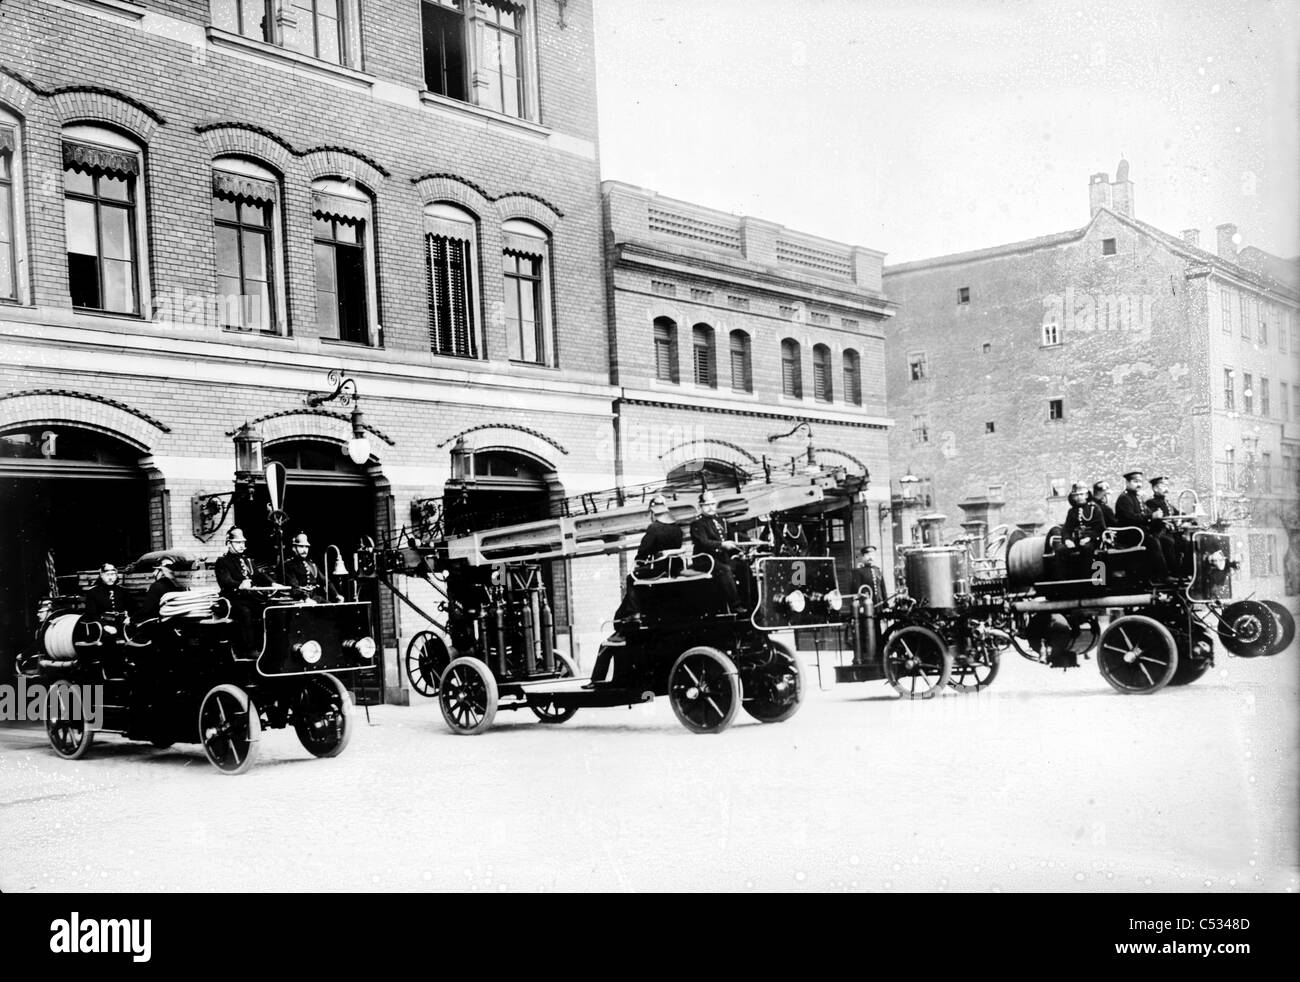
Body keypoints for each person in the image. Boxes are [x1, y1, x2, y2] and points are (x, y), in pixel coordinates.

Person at [588, 496, 682, 687]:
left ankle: (597, 680)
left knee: (632, 577)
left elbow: (643, 550)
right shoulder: (676, 528)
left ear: (652, 511)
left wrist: (640, 560)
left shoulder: (654, 528)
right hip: (672, 568)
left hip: (656, 569)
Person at [214, 527, 278, 657]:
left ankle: (268, 646)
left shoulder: (248, 561)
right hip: (233, 599)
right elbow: (225, 581)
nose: (242, 546)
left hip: (251, 598)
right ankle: (249, 649)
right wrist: (240, 585)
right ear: (229, 543)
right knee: (245, 612)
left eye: (243, 543)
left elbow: (260, 575)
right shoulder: (222, 562)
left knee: (269, 608)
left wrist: (272, 583)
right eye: (238, 543)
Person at [690, 489, 743, 612]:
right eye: (707, 505)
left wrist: (751, 540)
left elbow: (733, 536)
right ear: (701, 506)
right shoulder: (697, 524)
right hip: (704, 559)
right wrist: (722, 544)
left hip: (720, 558)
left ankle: (749, 602)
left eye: (712, 504)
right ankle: (736, 606)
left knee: (743, 567)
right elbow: (704, 542)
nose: (710, 507)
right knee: (725, 570)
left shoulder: (721, 521)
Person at [1113, 470, 1169, 581]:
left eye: (1140, 482)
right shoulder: (1124, 498)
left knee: (1167, 541)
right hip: (1128, 533)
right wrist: (1151, 517)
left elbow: (1146, 513)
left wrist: (1157, 517)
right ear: (1127, 483)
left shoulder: (1136, 497)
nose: (1139, 484)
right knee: (1152, 541)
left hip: (1138, 531)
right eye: (1135, 481)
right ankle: (1162, 576)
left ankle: (1171, 572)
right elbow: (1130, 518)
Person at [1058, 482, 1108, 569]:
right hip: (1077, 540)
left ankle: (1088, 577)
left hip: (1093, 541)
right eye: (1076, 495)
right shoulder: (1072, 511)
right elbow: (1066, 529)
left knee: (1086, 548)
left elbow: (1100, 528)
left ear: (1086, 495)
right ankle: (1064, 579)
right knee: (1060, 550)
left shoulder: (1094, 508)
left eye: (1081, 494)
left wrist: (1088, 538)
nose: (1079, 497)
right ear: (1073, 497)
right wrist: (1067, 540)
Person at [285, 532, 340, 603]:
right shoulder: (289, 565)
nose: (304, 550)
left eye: (306, 547)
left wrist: (336, 594)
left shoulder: (311, 564)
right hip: (299, 599)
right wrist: (306, 599)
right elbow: (294, 586)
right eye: (301, 547)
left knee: (332, 608)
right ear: (294, 548)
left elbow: (325, 581)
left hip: (315, 597)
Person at [1146, 477, 1185, 575]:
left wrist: (1189, 517)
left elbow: (1178, 513)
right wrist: (1168, 523)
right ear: (1155, 488)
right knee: (1170, 542)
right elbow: (1155, 520)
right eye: (1163, 486)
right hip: (1159, 533)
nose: (1166, 489)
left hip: (1171, 532)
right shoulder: (1151, 502)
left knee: (1187, 542)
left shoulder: (1167, 503)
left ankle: (1185, 571)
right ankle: (1173, 573)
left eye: (1167, 486)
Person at [83, 563, 131, 635]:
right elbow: (91, 613)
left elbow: (133, 608)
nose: (110, 577)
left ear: (116, 576)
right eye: (107, 575)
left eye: (113, 574)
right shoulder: (93, 592)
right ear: (102, 576)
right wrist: (104, 626)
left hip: (122, 624)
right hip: (101, 625)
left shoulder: (123, 591)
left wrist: (130, 618)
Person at [138, 557, 185, 621]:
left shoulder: (157, 586)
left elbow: (147, 610)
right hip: (175, 621)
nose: (153, 573)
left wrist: (132, 619)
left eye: (155, 570)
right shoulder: (175, 585)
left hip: (161, 623)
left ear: (162, 572)